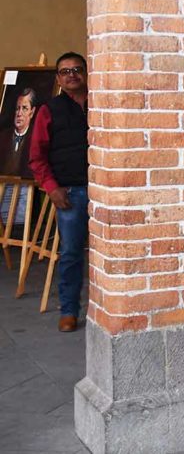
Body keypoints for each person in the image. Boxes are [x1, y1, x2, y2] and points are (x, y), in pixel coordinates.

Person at [28, 53, 89, 333]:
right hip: (70, 194)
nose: (72, 75)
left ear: (86, 72)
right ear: (58, 78)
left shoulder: (103, 104)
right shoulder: (49, 110)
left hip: (106, 191)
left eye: (77, 69)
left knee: (112, 253)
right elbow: (36, 156)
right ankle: (69, 310)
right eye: (65, 71)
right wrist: (51, 188)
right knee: (71, 253)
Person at [1, 87, 38, 178]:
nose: (19, 113)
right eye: (18, 108)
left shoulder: (37, 137)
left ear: (32, 112)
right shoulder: (2, 136)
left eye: (24, 108)